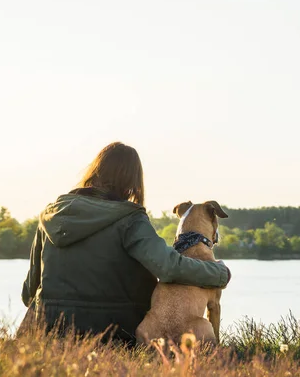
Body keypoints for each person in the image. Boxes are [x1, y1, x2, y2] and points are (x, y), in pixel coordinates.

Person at [20, 142, 231, 345]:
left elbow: (28, 291)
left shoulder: (49, 215)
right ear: (132, 182)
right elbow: (168, 267)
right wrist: (219, 274)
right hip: (113, 331)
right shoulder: (130, 219)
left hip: (49, 330)